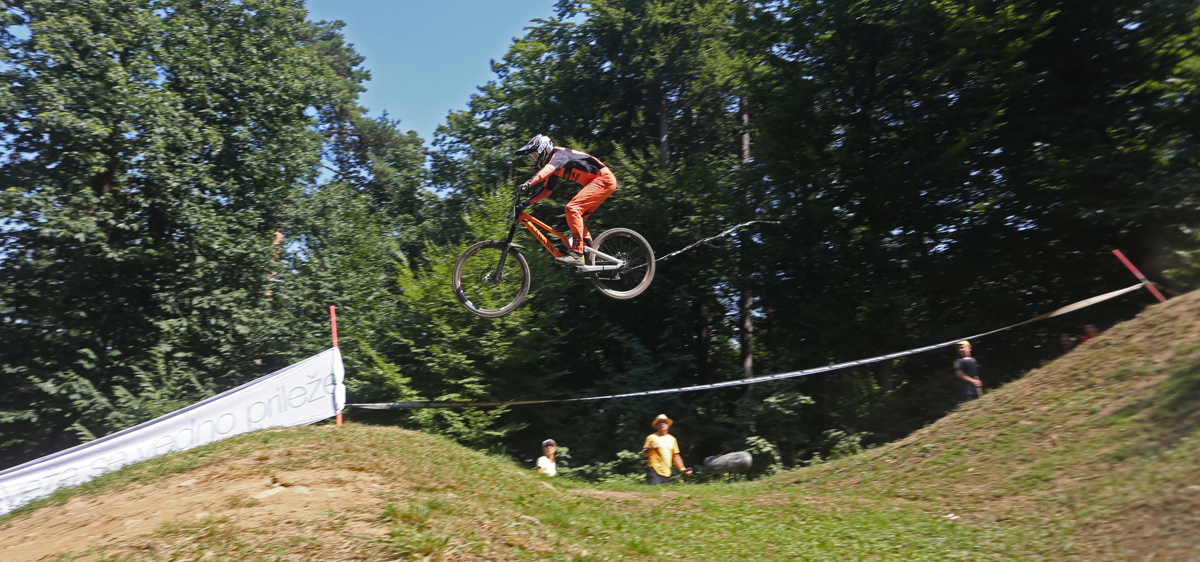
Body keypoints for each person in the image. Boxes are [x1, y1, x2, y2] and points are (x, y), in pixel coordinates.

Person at [514, 134, 618, 266]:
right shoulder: (554, 163)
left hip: (604, 179)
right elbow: (546, 190)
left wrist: (528, 183)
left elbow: (547, 171)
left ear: (543, 150)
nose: (534, 160)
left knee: (572, 208)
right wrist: (526, 203)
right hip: (600, 182)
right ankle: (593, 256)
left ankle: (577, 254)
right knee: (575, 220)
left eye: (534, 156)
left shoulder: (558, 155)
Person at [641, 414, 693, 484]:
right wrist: (651, 449)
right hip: (653, 469)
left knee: (664, 493)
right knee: (655, 493)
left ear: (668, 425)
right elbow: (644, 454)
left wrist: (683, 469)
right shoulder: (651, 437)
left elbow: (676, 456)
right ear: (656, 425)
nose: (663, 424)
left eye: (665, 422)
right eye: (660, 422)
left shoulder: (672, 439)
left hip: (667, 472)